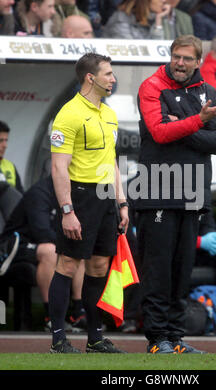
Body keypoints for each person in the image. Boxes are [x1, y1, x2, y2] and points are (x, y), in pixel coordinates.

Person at [135, 34, 216, 353]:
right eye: (176, 56)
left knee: (181, 269)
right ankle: (156, 338)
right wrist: (199, 123)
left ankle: (175, 338)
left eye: (187, 58)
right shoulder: (151, 86)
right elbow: (160, 132)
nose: (180, 63)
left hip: (193, 191)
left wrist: (187, 126)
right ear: (170, 56)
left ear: (198, 62)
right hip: (158, 189)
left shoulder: (208, 90)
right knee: (157, 268)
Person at [49, 52, 129, 353]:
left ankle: (95, 338)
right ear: (90, 78)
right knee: (68, 264)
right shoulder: (68, 114)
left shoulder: (109, 114)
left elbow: (111, 162)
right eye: (108, 74)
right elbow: (58, 167)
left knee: (98, 266)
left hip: (106, 197)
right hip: (80, 196)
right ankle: (58, 338)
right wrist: (67, 210)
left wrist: (121, 202)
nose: (113, 78)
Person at [0, 176, 87, 332]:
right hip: (15, 246)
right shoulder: (39, 192)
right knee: (50, 251)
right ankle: (51, 318)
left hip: (45, 243)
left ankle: (79, 314)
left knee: (77, 250)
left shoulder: (72, 194)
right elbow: (42, 232)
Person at [101, 0, 171, 39]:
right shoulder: (120, 19)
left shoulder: (158, 18)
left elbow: (159, 50)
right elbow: (129, 51)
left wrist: (158, 22)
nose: (164, 1)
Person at [0, 121, 23, 193]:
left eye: (6, 140)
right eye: (0, 141)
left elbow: (20, 197)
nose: (5, 145)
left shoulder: (10, 166)